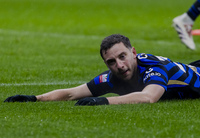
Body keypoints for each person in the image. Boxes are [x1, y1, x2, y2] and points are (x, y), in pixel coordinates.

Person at [4, 34, 200, 106]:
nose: (120, 66)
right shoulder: (113, 77)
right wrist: (36, 98)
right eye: (112, 61)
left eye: (122, 56)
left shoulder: (154, 69)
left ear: (133, 52)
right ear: (107, 64)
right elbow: (74, 93)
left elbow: (148, 98)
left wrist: (104, 100)